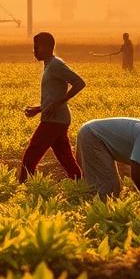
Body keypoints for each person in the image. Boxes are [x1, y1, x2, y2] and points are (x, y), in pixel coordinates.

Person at [20, 31, 85, 182]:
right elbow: (53, 96)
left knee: (30, 156)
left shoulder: (56, 65)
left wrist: (60, 102)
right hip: (58, 119)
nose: (34, 51)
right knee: (66, 160)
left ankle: (22, 190)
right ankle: (80, 185)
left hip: (53, 121)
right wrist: (39, 108)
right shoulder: (49, 65)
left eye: (37, 47)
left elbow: (79, 83)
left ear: (47, 47)